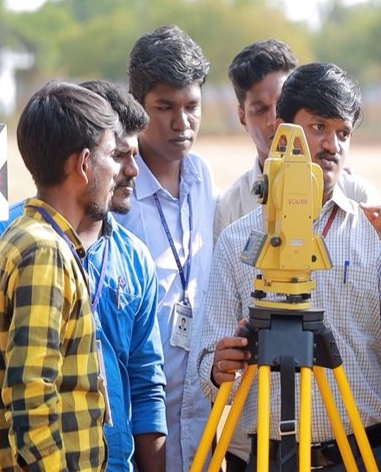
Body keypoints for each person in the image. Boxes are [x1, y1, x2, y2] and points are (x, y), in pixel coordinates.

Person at [192, 62, 381, 471]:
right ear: (282, 129)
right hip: (267, 460)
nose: (332, 144)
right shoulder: (237, 241)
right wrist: (219, 369)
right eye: (319, 127)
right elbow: (208, 374)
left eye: (343, 133)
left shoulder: (376, 238)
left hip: (355, 455)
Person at [0, 80, 168, 471]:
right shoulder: (44, 251)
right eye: (112, 156)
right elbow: (31, 400)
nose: (120, 171)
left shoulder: (29, 239)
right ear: (83, 164)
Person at [114, 24, 220, 471]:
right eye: (165, 108)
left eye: (192, 107)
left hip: (202, 420)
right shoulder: (116, 192)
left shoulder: (202, 177)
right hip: (139, 426)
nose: (182, 123)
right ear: (137, 106)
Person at [215, 38, 381, 240]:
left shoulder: (356, 196)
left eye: (282, 103)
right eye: (260, 110)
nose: (273, 119)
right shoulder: (233, 206)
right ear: (242, 116)